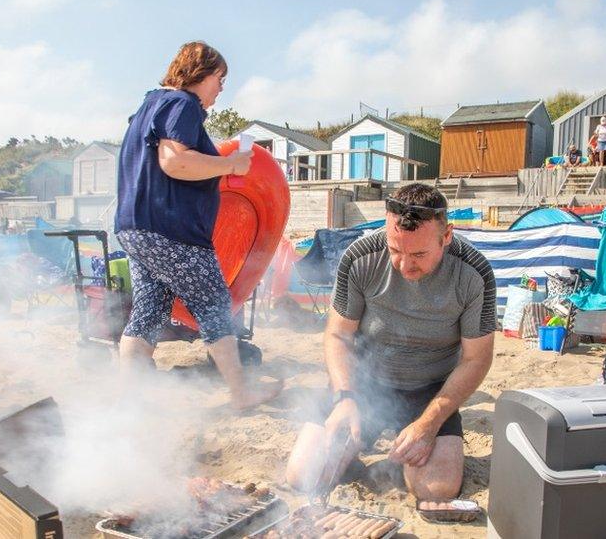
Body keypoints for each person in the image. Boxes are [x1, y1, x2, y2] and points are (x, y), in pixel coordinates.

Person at [284, 183, 496, 523]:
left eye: (418, 255)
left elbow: (476, 359)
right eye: (395, 249)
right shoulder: (360, 256)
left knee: (436, 489)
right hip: (364, 384)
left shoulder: (474, 273)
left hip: (430, 391)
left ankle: (404, 454)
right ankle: (356, 444)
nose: (403, 265)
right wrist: (344, 398)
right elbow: (338, 334)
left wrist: (428, 425)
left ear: (447, 236)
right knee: (303, 475)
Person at [114, 41, 282, 410]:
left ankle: (127, 403)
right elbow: (176, 163)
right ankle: (242, 394)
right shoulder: (182, 103)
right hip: (171, 229)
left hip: (136, 228)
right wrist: (232, 166)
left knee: (148, 312)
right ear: (200, 73)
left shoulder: (149, 106)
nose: (221, 88)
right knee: (215, 306)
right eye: (220, 79)